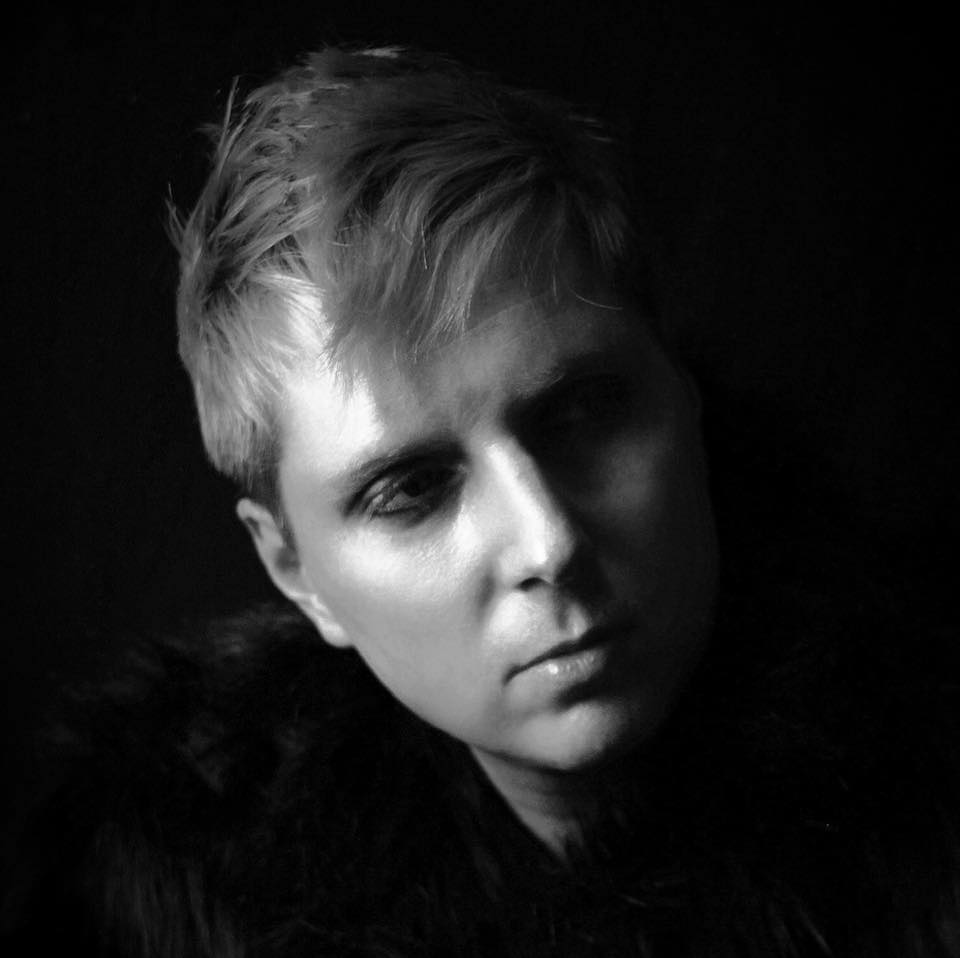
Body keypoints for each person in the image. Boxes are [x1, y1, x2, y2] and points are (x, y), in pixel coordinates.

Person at [3, 45, 958, 957]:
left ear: (683, 397)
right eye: (411, 489)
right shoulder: (163, 895)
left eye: (584, 414)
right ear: (294, 571)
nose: (549, 543)